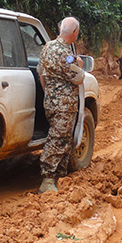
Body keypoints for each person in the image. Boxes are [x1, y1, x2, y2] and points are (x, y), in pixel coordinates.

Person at [37, 17, 85, 194]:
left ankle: (59, 178)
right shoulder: (65, 55)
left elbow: (41, 75)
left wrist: (49, 94)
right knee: (57, 139)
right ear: (74, 33)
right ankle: (48, 180)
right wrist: (79, 66)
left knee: (63, 138)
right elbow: (78, 78)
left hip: (51, 101)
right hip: (64, 105)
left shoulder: (47, 47)